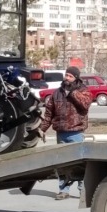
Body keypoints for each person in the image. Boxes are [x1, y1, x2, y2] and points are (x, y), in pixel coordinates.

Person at [39, 65, 92, 199]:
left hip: (76, 132)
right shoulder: (57, 93)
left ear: (76, 78)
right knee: (62, 164)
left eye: (70, 76)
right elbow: (49, 113)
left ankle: (83, 191)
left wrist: (72, 93)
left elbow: (85, 105)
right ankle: (64, 190)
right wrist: (42, 129)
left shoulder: (83, 91)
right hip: (61, 133)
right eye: (66, 75)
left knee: (79, 164)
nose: (67, 78)